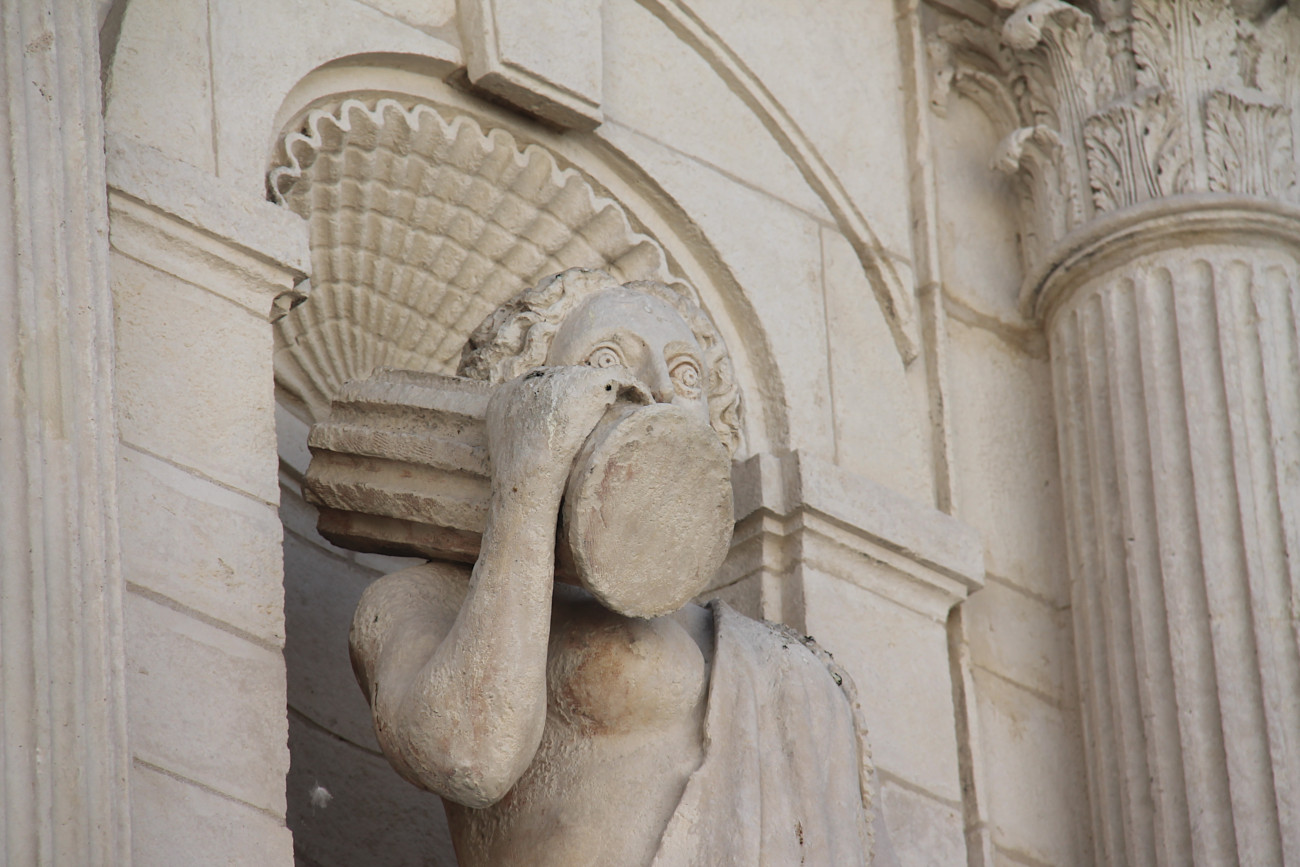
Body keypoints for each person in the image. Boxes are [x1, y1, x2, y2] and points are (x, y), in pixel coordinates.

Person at [348, 269, 876, 865]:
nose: (656, 391)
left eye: (686, 375)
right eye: (607, 359)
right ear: (530, 394)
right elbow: (468, 756)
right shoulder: (427, 597)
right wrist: (528, 479)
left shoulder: (781, 663)